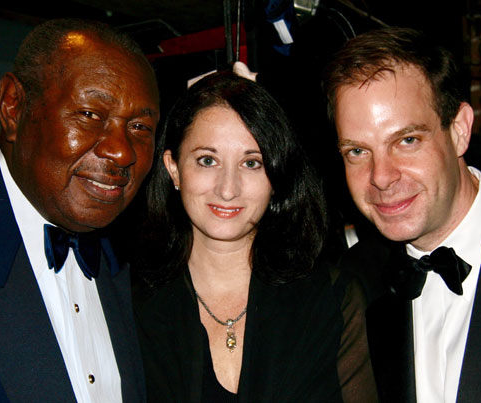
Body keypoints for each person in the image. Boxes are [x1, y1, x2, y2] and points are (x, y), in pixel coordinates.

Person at [0, 18, 159, 402]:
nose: (122, 151)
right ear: (12, 106)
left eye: (139, 127)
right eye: (90, 114)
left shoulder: (132, 270)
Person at [323, 27, 481, 403]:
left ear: (459, 130)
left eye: (407, 140)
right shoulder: (350, 287)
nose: (381, 177)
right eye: (357, 152)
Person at [132, 71, 377, 402]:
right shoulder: (129, 302)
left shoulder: (331, 298)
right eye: (207, 160)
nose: (228, 188)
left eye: (251, 163)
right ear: (173, 168)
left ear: (275, 175)